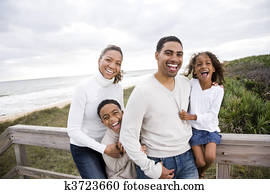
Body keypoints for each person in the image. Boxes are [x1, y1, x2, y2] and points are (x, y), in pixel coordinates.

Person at [120, 36, 199, 179]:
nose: (175, 58)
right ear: (157, 55)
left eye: (179, 54)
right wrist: (152, 169)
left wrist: (215, 88)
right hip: (156, 161)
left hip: (187, 159)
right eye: (168, 53)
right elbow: (127, 136)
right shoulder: (142, 91)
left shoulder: (185, 84)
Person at [67, 45, 124, 179]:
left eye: (118, 63)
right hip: (84, 148)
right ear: (99, 60)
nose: (112, 65)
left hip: (110, 144)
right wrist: (104, 149)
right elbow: (72, 130)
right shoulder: (83, 88)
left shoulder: (118, 88)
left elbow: (121, 116)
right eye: (108, 60)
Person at [179, 51, 225, 178]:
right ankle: (199, 173)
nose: (203, 66)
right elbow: (178, 83)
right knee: (199, 161)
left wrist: (193, 116)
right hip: (194, 129)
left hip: (210, 129)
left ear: (213, 68)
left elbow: (212, 115)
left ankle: (200, 174)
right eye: (199, 64)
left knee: (210, 157)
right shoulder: (192, 84)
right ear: (194, 71)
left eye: (207, 63)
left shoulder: (218, 90)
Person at [97, 99, 139, 179]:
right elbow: (115, 167)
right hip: (119, 178)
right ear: (103, 122)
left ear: (122, 113)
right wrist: (131, 151)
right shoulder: (106, 143)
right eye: (106, 117)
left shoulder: (131, 128)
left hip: (137, 175)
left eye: (115, 113)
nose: (112, 119)